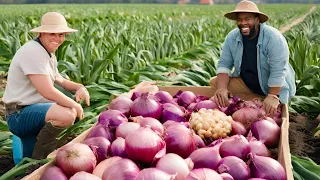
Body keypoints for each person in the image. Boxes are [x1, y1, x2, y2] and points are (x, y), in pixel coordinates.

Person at [2, 12, 90, 160]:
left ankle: (32, 153)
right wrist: (75, 105)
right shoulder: (33, 52)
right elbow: (47, 91)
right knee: (66, 114)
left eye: (61, 34)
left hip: (32, 109)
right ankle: (39, 159)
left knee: (24, 158)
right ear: (42, 33)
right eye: (53, 34)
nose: (58, 39)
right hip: (18, 114)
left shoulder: (46, 52)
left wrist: (79, 87)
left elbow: (59, 79)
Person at [210, 0, 296, 116]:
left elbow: (279, 70)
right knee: (216, 83)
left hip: (272, 88)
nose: (243, 23)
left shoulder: (273, 38)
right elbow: (225, 63)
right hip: (247, 84)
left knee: (268, 117)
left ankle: (268, 100)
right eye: (240, 19)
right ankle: (255, 100)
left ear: (257, 19)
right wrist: (221, 89)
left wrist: (273, 96)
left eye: (247, 19)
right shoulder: (232, 37)